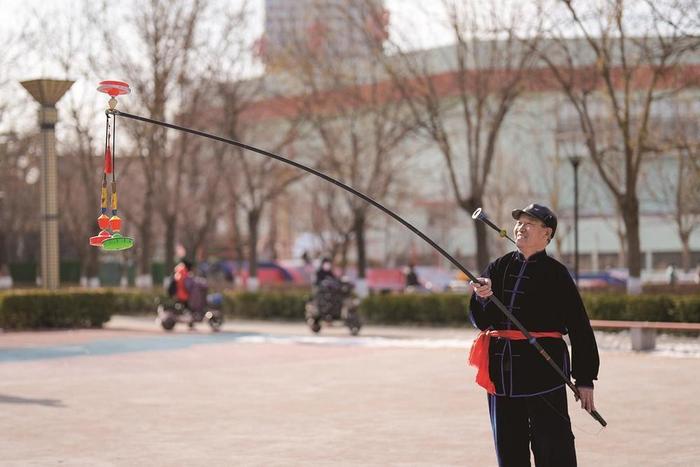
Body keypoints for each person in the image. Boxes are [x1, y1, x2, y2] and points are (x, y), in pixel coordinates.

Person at [468, 203, 599, 467]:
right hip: (502, 375)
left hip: (544, 373)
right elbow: (480, 320)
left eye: (529, 224)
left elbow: (579, 326)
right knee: (508, 449)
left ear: (546, 234)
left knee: (553, 445)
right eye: (519, 222)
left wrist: (584, 378)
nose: (520, 227)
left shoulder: (556, 274)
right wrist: (481, 298)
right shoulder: (497, 267)